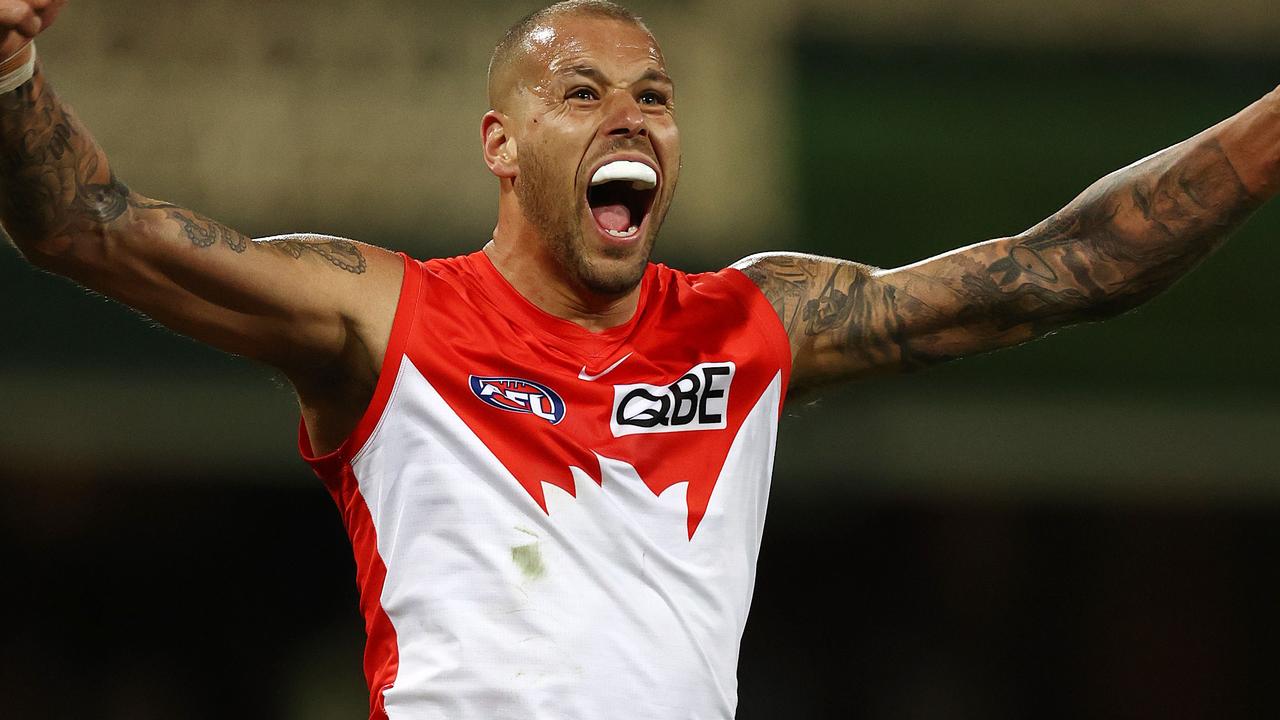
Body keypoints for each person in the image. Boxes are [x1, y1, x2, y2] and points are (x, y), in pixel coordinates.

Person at [1, 0, 1276, 718]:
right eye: (582, 94)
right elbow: (83, 228)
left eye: (653, 96)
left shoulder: (748, 325)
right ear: (500, 146)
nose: (630, 116)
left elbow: (1068, 268)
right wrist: (11, 72)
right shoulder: (386, 319)